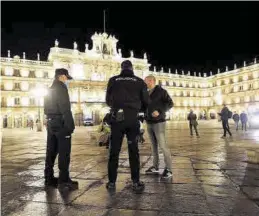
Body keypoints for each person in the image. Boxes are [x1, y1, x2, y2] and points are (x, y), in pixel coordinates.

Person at [105, 60, 149, 192]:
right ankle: (136, 182)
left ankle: (112, 182)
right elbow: (146, 101)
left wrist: (116, 106)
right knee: (133, 151)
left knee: (114, 151)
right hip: (132, 119)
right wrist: (138, 110)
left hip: (117, 118)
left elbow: (107, 100)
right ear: (132, 68)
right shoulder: (140, 81)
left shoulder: (113, 80)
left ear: (121, 68)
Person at [44, 68, 78, 191]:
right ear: (61, 76)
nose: (66, 80)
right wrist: (70, 125)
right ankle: (63, 181)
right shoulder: (61, 88)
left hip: (50, 122)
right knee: (64, 152)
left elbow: (45, 109)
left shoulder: (50, 88)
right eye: (66, 78)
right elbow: (65, 107)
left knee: (51, 151)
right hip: (61, 123)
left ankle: (48, 178)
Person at [144, 75, 173, 179]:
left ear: (152, 81)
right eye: (145, 81)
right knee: (153, 146)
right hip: (149, 122)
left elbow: (170, 103)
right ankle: (155, 167)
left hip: (159, 122)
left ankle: (169, 169)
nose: (146, 83)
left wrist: (160, 111)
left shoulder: (161, 91)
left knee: (163, 145)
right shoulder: (146, 93)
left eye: (147, 81)